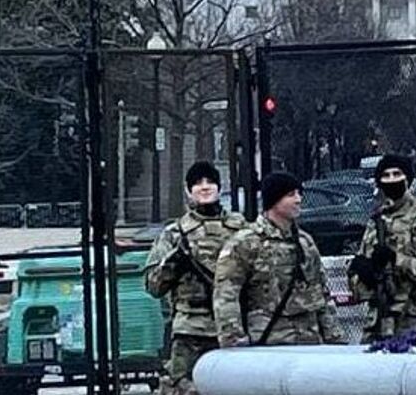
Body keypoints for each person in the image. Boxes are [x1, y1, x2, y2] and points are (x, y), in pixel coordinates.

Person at [142, 161, 249, 395]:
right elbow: (153, 285)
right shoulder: (175, 233)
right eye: (198, 183)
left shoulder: (241, 229)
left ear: (220, 188)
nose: (205, 187)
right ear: (188, 190)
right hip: (191, 328)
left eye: (210, 182)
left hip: (234, 328)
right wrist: (174, 263)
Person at [212, 172, 345, 347]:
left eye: (299, 194)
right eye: (291, 195)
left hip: (309, 342)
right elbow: (226, 294)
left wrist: (335, 338)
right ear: (273, 201)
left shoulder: (305, 242)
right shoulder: (245, 243)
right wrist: (234, 341)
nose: (298, 200)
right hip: (268, 344)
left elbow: (321, 293)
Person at [348, 154, 416, 338]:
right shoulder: (377, 221)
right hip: (377, 319)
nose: (392, 180)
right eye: (386, 175)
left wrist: (398, 261)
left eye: (397, 174)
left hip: (412, 319)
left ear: (408, 179)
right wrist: (365, 275)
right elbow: (359, 282)